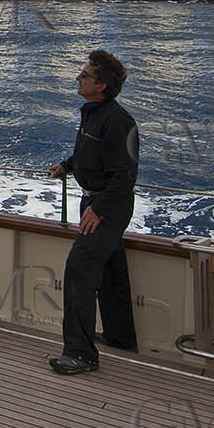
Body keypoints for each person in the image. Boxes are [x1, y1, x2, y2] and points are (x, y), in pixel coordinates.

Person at [47, 50, 139, 374]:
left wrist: (98, 210)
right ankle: (120, 336)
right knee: (112, 271)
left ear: (101, 85)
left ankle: (80, 353)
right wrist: (68, 166)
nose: (78, 78)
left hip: (107, 207)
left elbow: (125, 176)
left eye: (84, 74)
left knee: (79, 269)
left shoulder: (119, 121)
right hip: (96, 202)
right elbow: (90, 155)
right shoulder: (93, 114)